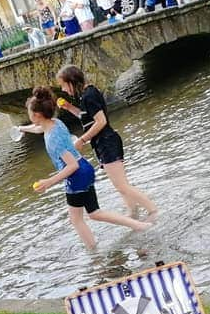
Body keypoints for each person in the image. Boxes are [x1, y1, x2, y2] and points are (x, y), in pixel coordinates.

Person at [20, 87, 152, 249]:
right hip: (85, 168)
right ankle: (137, 226)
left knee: (78, 218)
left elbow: (71, 166)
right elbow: (39, 128)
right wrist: (22, 129)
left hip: (76, 175)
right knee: (94, 213)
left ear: (36, 115)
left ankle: (95, 252)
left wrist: (49, 182)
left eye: (29, 112)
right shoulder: (56, 124)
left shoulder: (52, 139)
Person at [56, 65, 158, 219]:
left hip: (107, 143)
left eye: (63, 85)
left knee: (122, 185)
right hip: (104, 143)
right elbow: (86, 118)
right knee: (121, 185)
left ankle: (153, 211)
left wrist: (83, 140)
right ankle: (133, 212)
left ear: (71, 81)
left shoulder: (89, 95)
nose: (63, 90)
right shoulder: (85, 95)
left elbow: (101, 121)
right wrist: (69, 107)